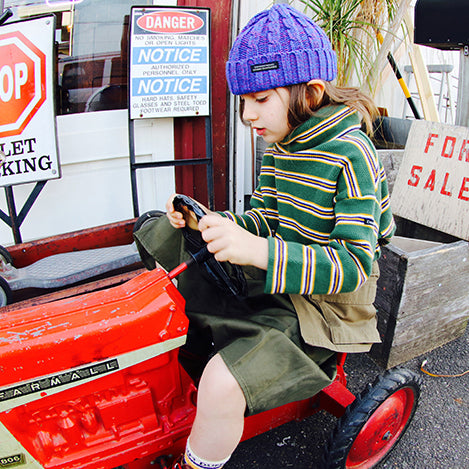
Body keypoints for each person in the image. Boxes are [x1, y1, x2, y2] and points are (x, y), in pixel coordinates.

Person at [134, 4, 395, 469]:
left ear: (311, 92)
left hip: (325, 309)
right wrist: (214, 224)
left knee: (220, 382)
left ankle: (197, 455)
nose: (248, 115)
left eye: (260, 99)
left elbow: (354, 266)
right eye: (243, 101)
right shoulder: (279, 146)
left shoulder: (351, 155)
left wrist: (257, 249)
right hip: (276, 277)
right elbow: (262, 217)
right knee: (157, 231)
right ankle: (183, 342)